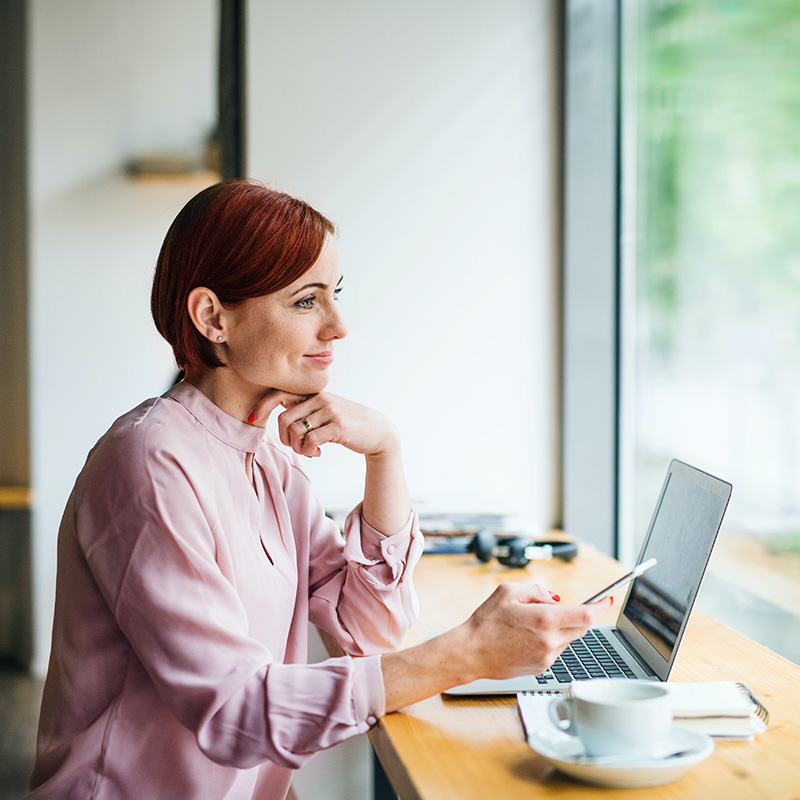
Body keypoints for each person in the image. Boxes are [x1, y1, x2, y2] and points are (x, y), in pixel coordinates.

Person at [27, 179, 611, 800]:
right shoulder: (148, 461)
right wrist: (466, 652)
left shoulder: (269, 462)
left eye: (334, 293)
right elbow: (236, 714)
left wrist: (386, 451)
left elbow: (368, 632)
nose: (339, 325)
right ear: (212, 317)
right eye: (307, 301)